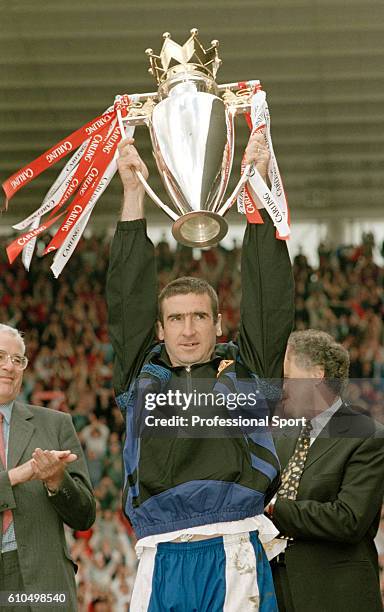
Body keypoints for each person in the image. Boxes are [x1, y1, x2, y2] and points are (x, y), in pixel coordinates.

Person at [107, 131, 294, 611]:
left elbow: (269, 297)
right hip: (160, 552)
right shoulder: (140, 378)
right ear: (161, 329)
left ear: (218, 322)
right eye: (175, 318)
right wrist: (131, 193)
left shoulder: (246, 371)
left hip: (234, 548)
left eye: (199, 317)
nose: (188, 330)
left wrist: (259, 184)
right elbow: (126, 300)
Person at [268, 329, 384, 612]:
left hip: (335, 594)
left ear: (317, 374)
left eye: (289, 377)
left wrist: (274, 509)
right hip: (276, 590)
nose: (283, 387)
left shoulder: (367, 435)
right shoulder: (282, 434)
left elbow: (349, 519)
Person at [0, 323, 96, 612]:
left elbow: (85, 516)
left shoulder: (55, 424)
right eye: (0, 357)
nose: (9, 367)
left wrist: (57, 480)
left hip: (43, 586)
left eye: (18, 360)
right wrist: (19, 475)